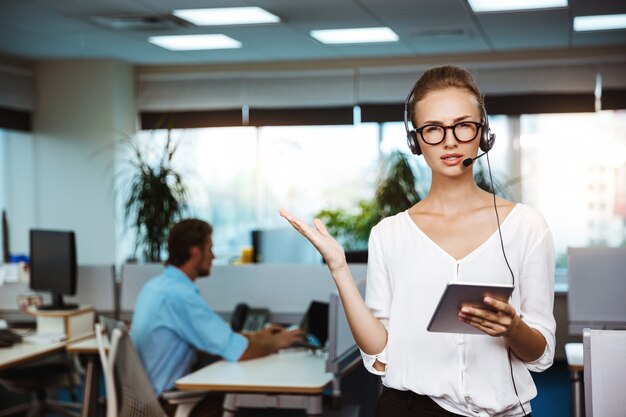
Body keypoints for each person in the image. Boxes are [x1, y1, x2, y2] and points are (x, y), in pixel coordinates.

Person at [280, 65, 555, 417]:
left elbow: (541, 354)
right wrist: (339, 269)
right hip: (407, 409)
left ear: (483, 133)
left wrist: (514, 328)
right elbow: (380, 353)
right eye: (433, 129)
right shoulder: (390, 234)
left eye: (463, 125)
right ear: (416, 140)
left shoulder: (526, 226)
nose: (450, 140)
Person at [131, 219, 304, 414]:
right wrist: (277, 342)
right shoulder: (179, 296)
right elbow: (236, 350)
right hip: (168, 404)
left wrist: (260, 337)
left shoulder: (156, 287)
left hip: (149, 398)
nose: (213, 256)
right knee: (250, 403)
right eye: (210, 249)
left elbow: (218, 339)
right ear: (195, 251)